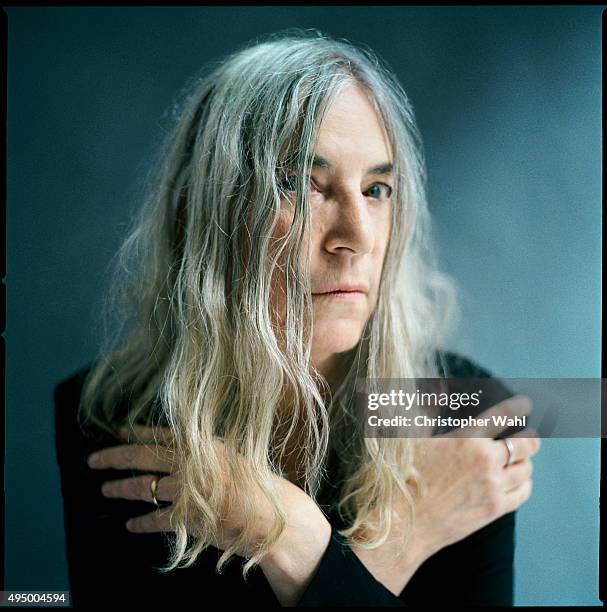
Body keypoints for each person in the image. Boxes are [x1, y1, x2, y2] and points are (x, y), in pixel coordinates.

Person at [53, 30, 541, 607]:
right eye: (298, 185)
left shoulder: (461, 411)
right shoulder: (113, 413)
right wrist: (388, 549)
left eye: (377, 188)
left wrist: (306, 553)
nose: (357, 237)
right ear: (199, 214)